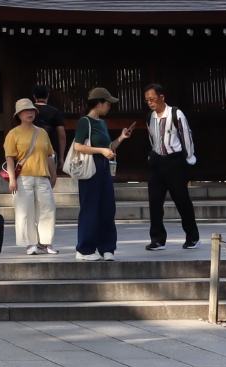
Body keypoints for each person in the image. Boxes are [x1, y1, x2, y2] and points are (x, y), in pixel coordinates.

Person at [71, 87, 132, 262]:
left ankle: (107, 247)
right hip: (91, 167)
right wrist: (101, 151)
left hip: (104, 167)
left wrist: (121, 138)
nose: (109, 106)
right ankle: (84, 249)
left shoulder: (102, 123)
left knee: (107, 207)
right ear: (98, 103)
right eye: (107, 103)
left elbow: (109, 147)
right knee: (90, 208)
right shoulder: (85, 122)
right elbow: (78, 146)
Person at [143, 82, 200, 251]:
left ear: (162, 97)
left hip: (174, 161)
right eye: (147, 100)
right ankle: (157, 238)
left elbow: (186, 136)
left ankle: (192, 237)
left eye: (152, 99)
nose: (150, 103)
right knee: (154, 201)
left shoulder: (176, 113)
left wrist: (189, 157)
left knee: (182, 199)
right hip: (156, 161)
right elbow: (152, 137)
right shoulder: (150, 117)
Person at [4, 98, 58, 255]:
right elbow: (10, 158)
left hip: (42, 176)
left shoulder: (42, 132)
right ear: (18, 114)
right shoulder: (13, 134)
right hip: (23, 178)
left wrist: (53, 174)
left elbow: (49, 155)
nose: (29, 112)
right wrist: (12, 179)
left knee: (48, 208)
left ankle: (46, 242)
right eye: (25, 110)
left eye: (31, 110)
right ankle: (30, 243)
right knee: (25, 211)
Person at [30, 86, 68, 168]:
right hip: (50, 151)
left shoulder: (28, 111)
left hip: (30, 150)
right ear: (48, 95)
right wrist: (61, 157)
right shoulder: (55, 112)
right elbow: (62, 135)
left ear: (34, 96)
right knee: (50, 178)